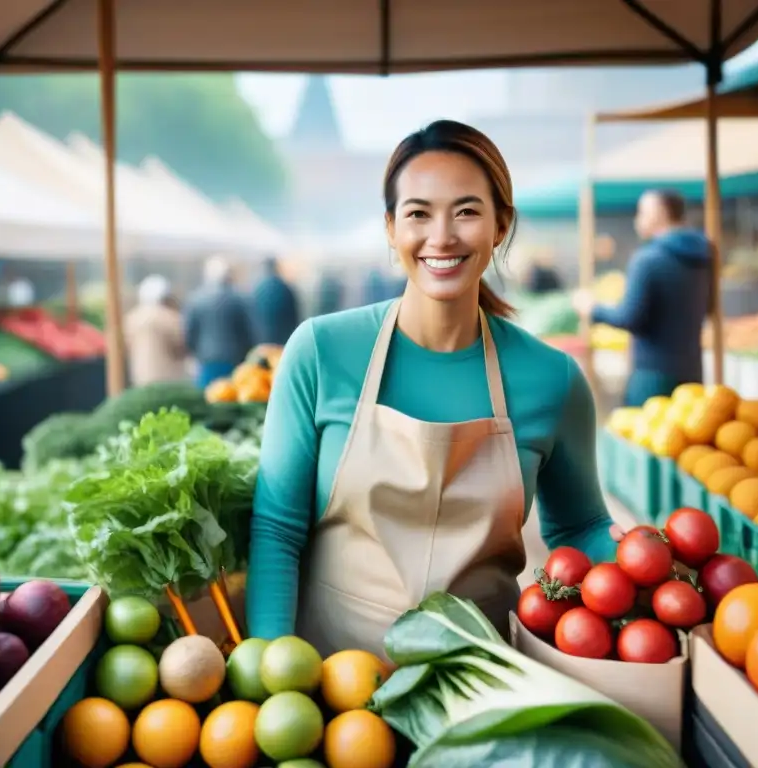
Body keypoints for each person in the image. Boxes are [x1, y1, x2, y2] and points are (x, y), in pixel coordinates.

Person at [247, 120, 622, 658]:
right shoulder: (320, 352)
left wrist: (650, 560)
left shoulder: (552, 379)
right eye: (418, 213)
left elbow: (581, 525)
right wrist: (272, 673)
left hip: (479, 686)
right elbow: (277, 530)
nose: (441, 236)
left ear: (501, 225)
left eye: (466, 211)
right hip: (328, 692)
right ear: (390, 227)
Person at [572, 189, 712, 408]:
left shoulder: (647, 259)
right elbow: (710, 307)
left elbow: (629, 317)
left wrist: (592, 308)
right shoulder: (704, 256)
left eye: (642, 212)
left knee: (645, 437)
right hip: (692, 372)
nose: (637, 219)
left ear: (661, 213)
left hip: (653, 376)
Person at [185, 256, 256, 389]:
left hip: (206, 359)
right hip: (235, 359)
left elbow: (189, 332)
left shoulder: (196, 299)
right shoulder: (239, 299)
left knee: (207, 399)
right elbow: (248, 332)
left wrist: (194, 352)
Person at [124, 274, 187, 387]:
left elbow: (126, 345)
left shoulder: (132, 318)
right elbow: (181, 344)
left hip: (140, 376)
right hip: (168, 377)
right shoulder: (170, 317)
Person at [252, 257, 300, 345]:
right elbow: (294, 315)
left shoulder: (257, 289)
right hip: (283, 340)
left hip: (262, 341)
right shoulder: (284, 287)